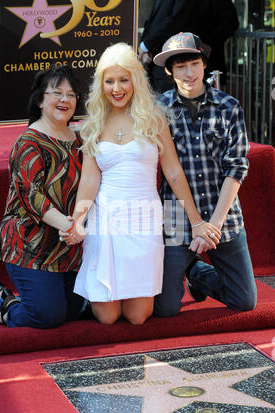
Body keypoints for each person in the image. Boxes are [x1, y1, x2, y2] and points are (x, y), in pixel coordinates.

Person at [60, 42, 221, 326]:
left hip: (143, 219)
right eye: (109, 81)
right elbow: (89, 179)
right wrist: (79, 220)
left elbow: (172, 171)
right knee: (108, 317)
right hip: (106, 219)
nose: (117, 88)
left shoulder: (153, 118)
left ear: (135, 79)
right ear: (101, 85)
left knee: (137, 317)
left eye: (124, 79)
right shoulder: (93, 125)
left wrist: (196, 221)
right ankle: (95, 294)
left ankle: (186, 275)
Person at [152, 32, 257, 317]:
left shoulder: (229, 107)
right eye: (180, 66)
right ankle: (190, 265)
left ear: (204, 64)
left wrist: (214, 225)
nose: (189, 73)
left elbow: (236, 167)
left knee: (244, 300)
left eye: (194, 64)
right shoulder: (157, 109)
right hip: (177, 215)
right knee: (165, 309)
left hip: (223, 214)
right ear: (169, 71)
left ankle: (197, 273)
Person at [0, 65, 86, 328]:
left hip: (68, 245)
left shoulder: (80, 139)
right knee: (48, 316)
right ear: (40, 100)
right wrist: (68, 225)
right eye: (57, 93)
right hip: (30, 244)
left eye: (71, 95)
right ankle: (6, 305)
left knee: (75, 312)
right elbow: (31, 195)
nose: (65, 99)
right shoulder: (29, 141)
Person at [138, 0, 239, 92]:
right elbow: (154, 22)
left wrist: (208, 44)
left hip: (197, 63)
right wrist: (146, 48)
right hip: (158, 64)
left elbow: (176, 20)